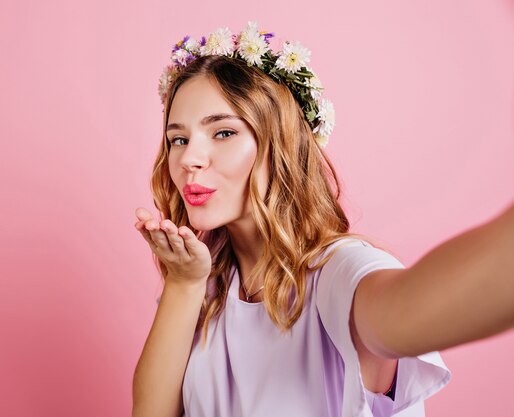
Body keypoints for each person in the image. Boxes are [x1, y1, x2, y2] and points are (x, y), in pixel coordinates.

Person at [131, 22, 514, 417]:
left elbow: (412, 308)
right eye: (178, 139)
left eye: (224, 133)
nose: (189, 158)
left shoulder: (338, 272)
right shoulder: (206, 287)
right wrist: (183, 282)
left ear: (281, 143)